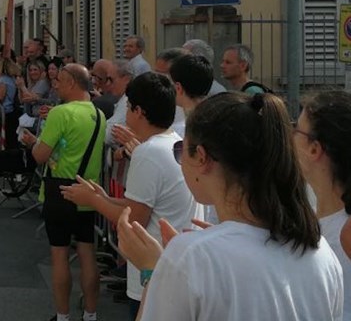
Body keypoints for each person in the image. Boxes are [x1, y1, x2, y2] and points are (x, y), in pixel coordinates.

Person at [116, 92, 342, 320]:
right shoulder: (320, 251)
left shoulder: (191, 257)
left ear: (201, 157)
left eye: (180, 151)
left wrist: (154, 271)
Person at [61, 72, 203, 318]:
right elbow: (144, 206)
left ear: (139, 111)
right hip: (172, 264)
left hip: (153, 273)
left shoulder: (148, 152)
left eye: (127, 106)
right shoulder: (173, 143)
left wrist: (93, 200)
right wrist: (103, 197)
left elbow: (135, 218)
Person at [20, 64, 105, 321]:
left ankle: (63, 316)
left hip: (59, 189)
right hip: (88, 191)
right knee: (87, 253)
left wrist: (32, 141)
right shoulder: (98, 114)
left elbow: (40, 155)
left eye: (59, 81)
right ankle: (91, 315)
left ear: (71, 83)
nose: (55, 85)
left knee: (59, 254)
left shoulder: (61, 113)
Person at [294, 90, 351, 319]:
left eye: (296, 129)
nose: (291, 136)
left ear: (315, 149)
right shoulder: (311, 215)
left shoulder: (345, 233)